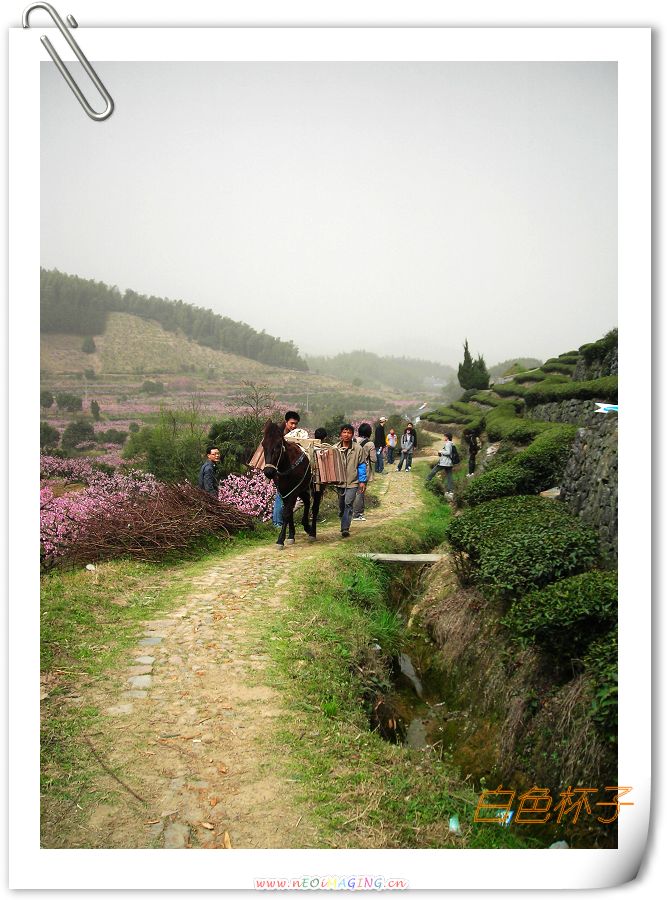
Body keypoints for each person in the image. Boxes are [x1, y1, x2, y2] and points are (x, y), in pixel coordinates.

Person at [335, 423, 368, 537]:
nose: (346, 435)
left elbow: (362, 465)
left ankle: (345, 528)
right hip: (339, 482)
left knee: (348, 503)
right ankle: (343, 520)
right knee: (341, 506)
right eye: (344, 432)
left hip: (353, 482)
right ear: (340, 434)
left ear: (352, 434)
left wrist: (362, 481)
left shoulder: (358, 448)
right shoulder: (335, 448)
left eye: (349, 432)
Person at [272, 411, 302, 526]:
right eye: (291, 423)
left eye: (296, 424)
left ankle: (281, 521)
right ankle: (277, 523)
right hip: (280, 472)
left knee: (285, 496)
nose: (294, 426)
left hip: (291, 472)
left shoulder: (296, 435)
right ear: (286, 422)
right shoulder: (280, 435)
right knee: (281, 496)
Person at [353, 423, 375, 520]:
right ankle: (358, 514)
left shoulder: (353, 441)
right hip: (363, 469)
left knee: (351, 491)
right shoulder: (370, 444)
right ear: (369, 432)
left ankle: (348, 511)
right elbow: (374, 459)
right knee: (360, 492)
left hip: (351, 468)